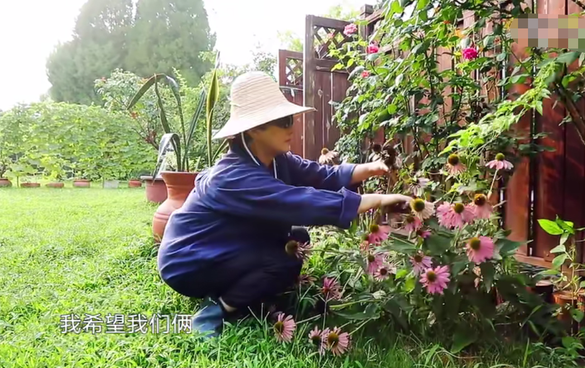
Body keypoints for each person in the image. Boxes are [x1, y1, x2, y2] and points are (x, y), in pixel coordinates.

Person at [156, 71, 412, 338]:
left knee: (296, 240)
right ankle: (218, 310)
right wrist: (377, 200)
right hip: (189, 258)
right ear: (254, 128)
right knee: (283, 256)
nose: (292, 126)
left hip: (224, 246)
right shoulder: (232, 177)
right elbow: (301, 202)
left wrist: (373, 167)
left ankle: (246, 293)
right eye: (283, 120)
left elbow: (323, 175)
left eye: (291, 118)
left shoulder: (278, 160)